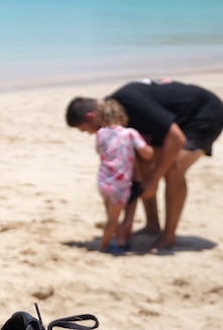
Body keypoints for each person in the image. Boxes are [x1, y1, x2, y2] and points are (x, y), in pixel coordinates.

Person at [66, 78, 223, 252]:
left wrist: (153, 180)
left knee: (173, 169)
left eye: (87, 130)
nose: (91, 134)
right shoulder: (115, 112)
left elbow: (176, 139)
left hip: (204, 113)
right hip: (176, 120)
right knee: (140, 162)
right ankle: (153, 225)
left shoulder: (129, 100)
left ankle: (168, 235)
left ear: (91, 116)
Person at [88, 99, 154, 254]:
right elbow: (147, 154)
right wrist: (148, 145)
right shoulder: (130, 133)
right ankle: (104, 246)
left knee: (110, 214)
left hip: (103, 181)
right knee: (113, 219)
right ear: (122, 116)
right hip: (120, 184)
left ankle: (121, 240)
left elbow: (99, 152)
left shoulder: (100, 134)